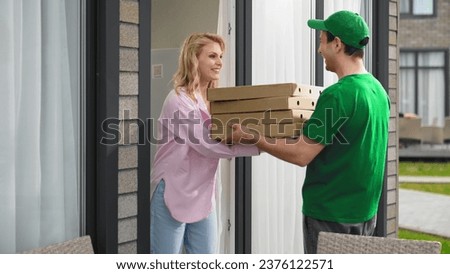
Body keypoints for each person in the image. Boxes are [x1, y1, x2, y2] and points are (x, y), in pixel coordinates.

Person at [227, 10, 390, 254]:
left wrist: (253, 137)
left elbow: (301, 154)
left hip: (330, 215)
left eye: (322, 41)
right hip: (365, 213)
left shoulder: (339, 94)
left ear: (337, 44)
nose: (319, 49)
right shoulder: (377, 90)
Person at [150, 32, 259, 254]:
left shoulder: (216, 101)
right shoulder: (178, 100)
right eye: (212, 56)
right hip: (172, 188)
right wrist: (260, 144)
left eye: (220, 56)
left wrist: (263, 137)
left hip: (203, 192)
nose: (219, 62)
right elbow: (206, 144)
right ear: (194, 59)